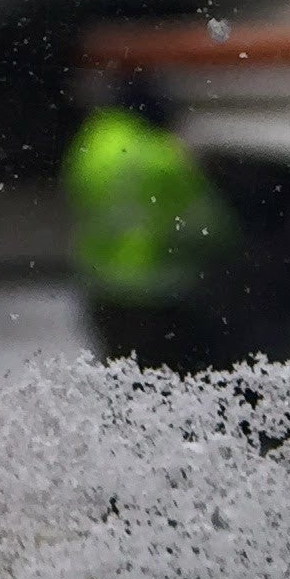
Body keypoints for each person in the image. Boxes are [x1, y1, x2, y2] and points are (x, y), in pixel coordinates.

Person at [63, 72, 239, 370]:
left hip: (103, 286)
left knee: (121, 380)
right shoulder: (163, 159)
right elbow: (208, 224)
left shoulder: (91, 144)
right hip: (158, 291)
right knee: (167, 383)